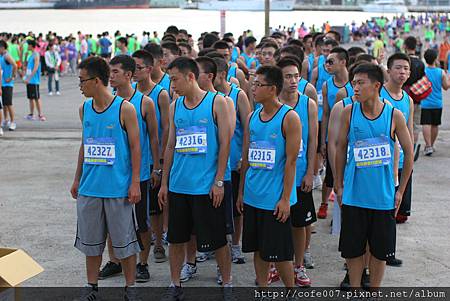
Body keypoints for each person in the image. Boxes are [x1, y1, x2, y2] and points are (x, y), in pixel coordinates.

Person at [158, 57, 233, 301]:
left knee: (218, 239)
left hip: (206, 187)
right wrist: (165, 183)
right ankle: (175, 282)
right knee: (177, 239)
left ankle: (227, 282)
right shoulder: (175, 107)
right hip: (179, 186)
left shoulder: (217, 103)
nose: (172, 85)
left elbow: (225, 144)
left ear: (191, 76)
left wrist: (219, 181)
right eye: (170, 80)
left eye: (175, 79)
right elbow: (170, 146)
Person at [335, 63, 413, 289]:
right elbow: (340, 148)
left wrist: (400, 191)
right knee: (353, 250)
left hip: (383, 198)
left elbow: (409, 153)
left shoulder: (394, 115)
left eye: (361, 83)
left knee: (380, 252)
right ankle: (356, 288)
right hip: (353, 196)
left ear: (376, 85)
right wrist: (339, 185)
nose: (355, 88)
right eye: (353, 83)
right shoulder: (349, 112)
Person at [70, 56, 142, 301]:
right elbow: (85, 144)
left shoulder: (125, 109)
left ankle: (130, 288)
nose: (79, 86)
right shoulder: (85, 109)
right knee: (91, 243)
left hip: (118, 190)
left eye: (82, 81)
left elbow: (135, 148)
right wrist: (77, 178)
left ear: (96, 80)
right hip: (90, 189)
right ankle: (92, 287)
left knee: (125, 244)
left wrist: (134, 182)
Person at [96, 54, 161, 284]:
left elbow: (153, 138)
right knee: (111, 222)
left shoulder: (145, 102)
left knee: (140, 222)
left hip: (139, 173)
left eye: (115, 72)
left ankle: (143, 263)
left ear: (129, 75)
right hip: (112, 175)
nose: (111, 77)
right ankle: (115, 261)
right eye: (109, 72)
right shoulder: (107, 101)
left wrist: (157, 168)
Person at [237, 65, 301, 288]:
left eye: (258, 85)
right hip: (253, 196)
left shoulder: (289, 118)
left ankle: (290, 290)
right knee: (258, 250)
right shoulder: (253, 117)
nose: (253, 89)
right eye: (253, 84)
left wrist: (285, 199)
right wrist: (241, 192)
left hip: (274, 200)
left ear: (272, 89)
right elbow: (247, 158)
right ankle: (262, 288)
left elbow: (291, 162)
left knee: (281, 254)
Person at [277, 57, 318, 287]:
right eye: (287, 76)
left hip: (301, 172)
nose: (293, 81)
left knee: (300, 224)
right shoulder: (270, 104)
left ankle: (299, 265)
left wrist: (310, 172)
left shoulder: (308, 104)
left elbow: (312, 140)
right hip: (276, 176)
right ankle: (275, 265)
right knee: (277, 222)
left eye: (296, 76)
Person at [132, 49, 170, 267]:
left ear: (149, 68)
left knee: (155, 208)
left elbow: (164, 130)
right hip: (133, 163)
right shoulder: (127, 94)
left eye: (138, 68)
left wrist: (160, 163)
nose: (134, 72)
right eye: (132, 68)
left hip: (151, 159)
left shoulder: (160, 94)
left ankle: (157, 244)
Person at [381, 53, 414, 260]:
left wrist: (410, 160)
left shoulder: (408, 100)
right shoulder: (380, 96)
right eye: (398, 68)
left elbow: (409, 133)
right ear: (389, 70)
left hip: (402, 163)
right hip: (383, 164)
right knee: (382, 211)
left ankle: (388, 252)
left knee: (396, 208)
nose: (402, 72)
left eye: (406, 69)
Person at [318, 47, 352, 220]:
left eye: (331, 61)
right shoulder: (327, 85)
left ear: (343, 62)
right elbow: (325, 113)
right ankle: (324, 203)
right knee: (331, 174)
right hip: (333, 132)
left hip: (350, 134)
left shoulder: (354, 85)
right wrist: (323, 140)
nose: (327, 65)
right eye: (326, 62)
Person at [421, 49, 450, 156]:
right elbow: (446, 87)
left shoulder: (422, 71)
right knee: (435, 124)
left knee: (426, 124)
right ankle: (431, 145)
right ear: (436, 58)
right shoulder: (440, 72)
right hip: (437, 103)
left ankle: (427, 145)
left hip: (424, 102)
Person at [402, 36, 425, 161]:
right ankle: (413, 149)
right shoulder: (420, 63)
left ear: (405, 45)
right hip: (416, 97)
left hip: (403, 96)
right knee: (415, 125)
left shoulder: (403, 62)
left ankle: (403, 150)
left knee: (402, 124)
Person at [24, 40, 45, 121]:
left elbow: (36, 68)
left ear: (31, 46)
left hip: (34, 80)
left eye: (28, 45)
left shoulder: (36, 54)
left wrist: (29, 78)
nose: (27, 47)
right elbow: (25, 65)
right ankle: (31, 114)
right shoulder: (31, 55)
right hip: (29, 80)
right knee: (31, 98)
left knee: (36, 98)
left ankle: (40, 115)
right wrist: (25, 56)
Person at [0, 40, 18, 131]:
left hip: (8, 84)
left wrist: (11, 77)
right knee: (4, 104)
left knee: (9, 103)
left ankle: (13, 122)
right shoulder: (1, 55)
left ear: (2, 48)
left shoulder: (7, 55)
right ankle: (6, 120)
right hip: (2, 83)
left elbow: (15, 65)